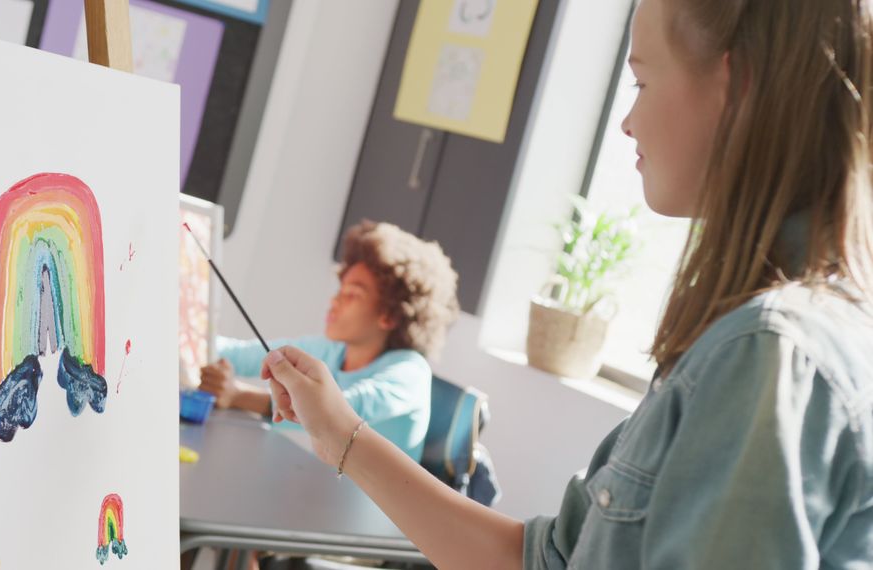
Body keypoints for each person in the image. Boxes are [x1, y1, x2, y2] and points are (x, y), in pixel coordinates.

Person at [259, 0, 873, 567]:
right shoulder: (746, 340)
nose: (627, 122)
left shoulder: (763, 355)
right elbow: (541, 560)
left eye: (642, 81)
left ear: (734, 88)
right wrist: (339, 432)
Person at [199, 220, 459, 461]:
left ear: (389, 315)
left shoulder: (410, 372)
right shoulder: (332, 351)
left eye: (352, 295)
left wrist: (237, 395)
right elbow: (238, 353)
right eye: (340, 290)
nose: (335, 302)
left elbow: (337, 412)